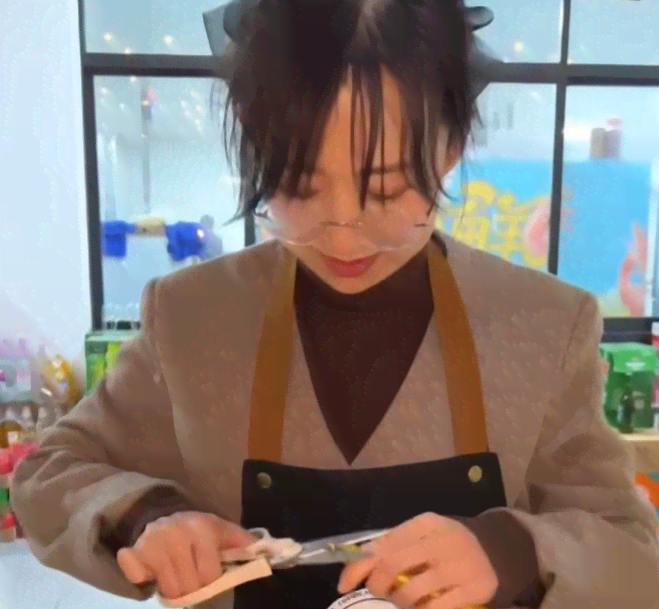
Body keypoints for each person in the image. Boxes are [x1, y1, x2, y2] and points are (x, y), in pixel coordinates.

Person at [11, 0, 659, 608]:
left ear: (450, 149)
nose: (343, 233)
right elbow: (47, 475)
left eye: (386, 189)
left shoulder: (544, 327)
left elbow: (636, 554)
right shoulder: (191, 319)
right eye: (298, 184)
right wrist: (145, 516)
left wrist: (511, 549)